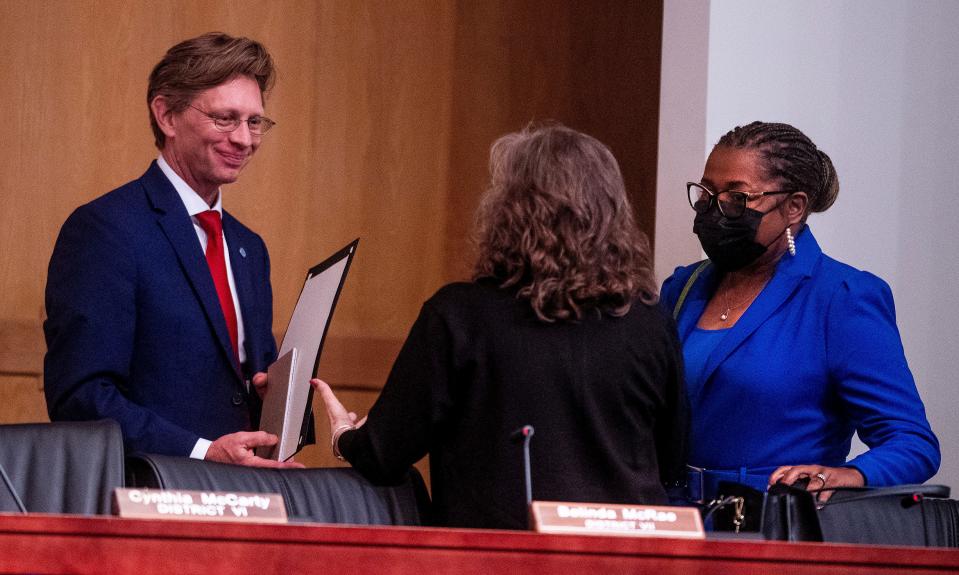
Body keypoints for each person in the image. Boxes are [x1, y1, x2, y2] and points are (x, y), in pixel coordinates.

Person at [313, 124, 688, 529]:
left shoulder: (459, 315)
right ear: (612, 212)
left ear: (507, 211)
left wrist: (344, 436)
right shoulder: (650, 320)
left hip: (497, 560)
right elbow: (671, 458)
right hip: (627, 561)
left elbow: (384, 455)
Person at [44, 32, 300, 468]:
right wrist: (203, 452)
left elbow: (242, 391)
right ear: (166, 115)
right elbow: (81, 395)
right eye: (225, 118)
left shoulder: (249, 249)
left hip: (246, 499)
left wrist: (286, 403)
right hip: (148, 495)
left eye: (255, 122)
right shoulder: (106, 229)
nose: (244, 139)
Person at [661, 121, 939, 503]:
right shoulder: (682, 288)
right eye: (707, 194)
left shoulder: (842, 298)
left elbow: (912, 442)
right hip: (675, 524)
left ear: (794, 207)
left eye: (737, 198)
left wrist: (849, 474)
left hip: (773, 528)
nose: (715, 210)